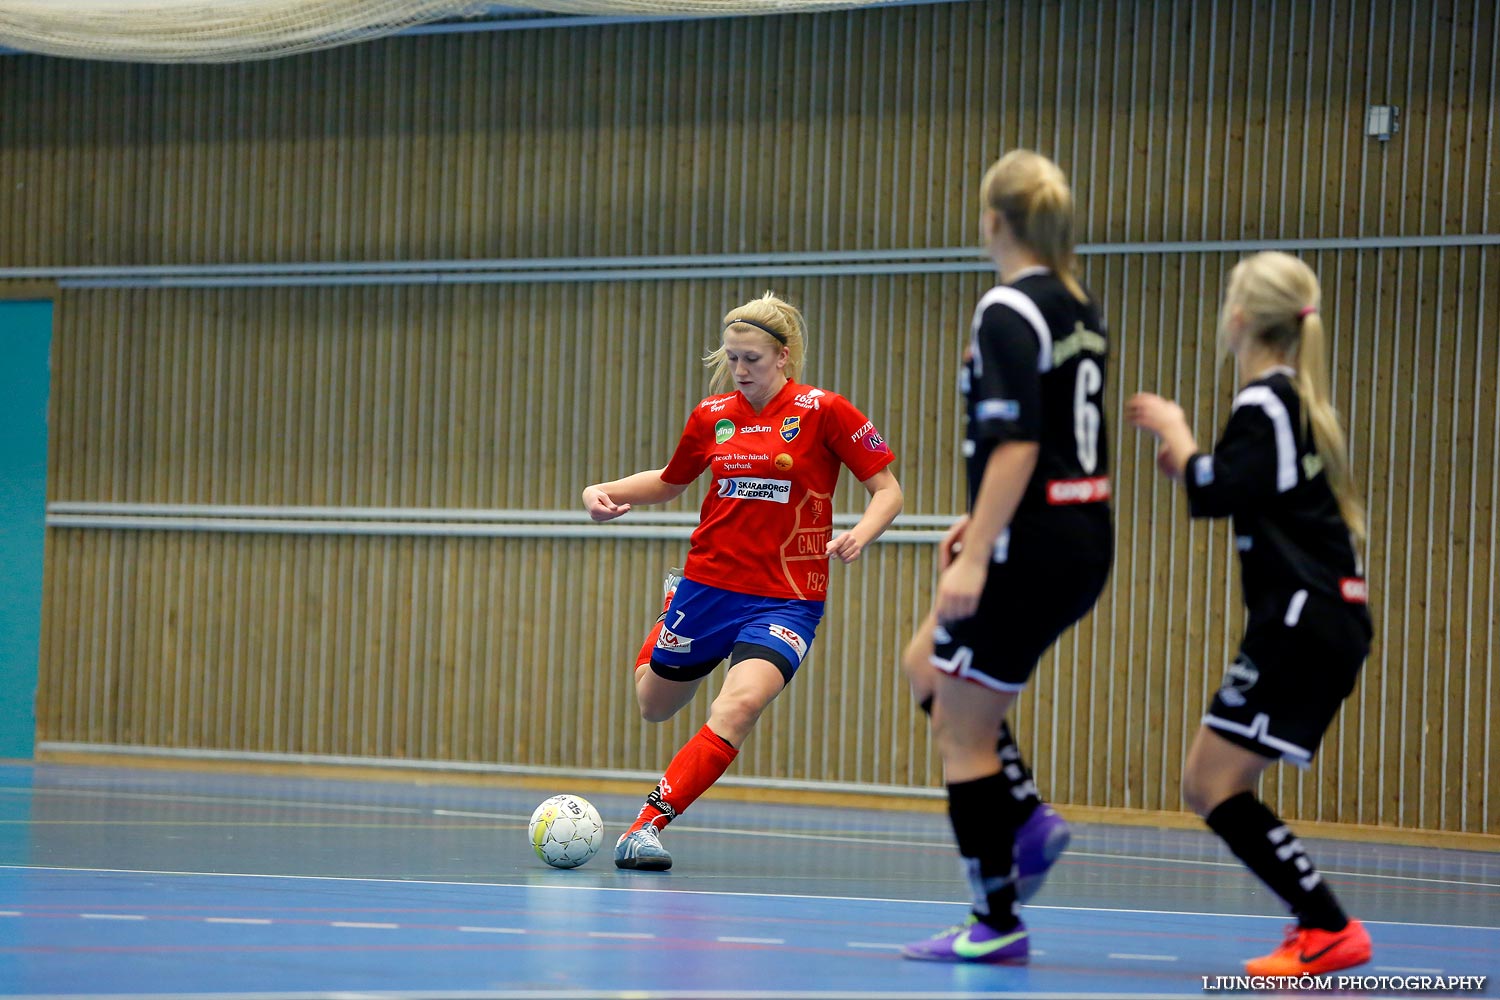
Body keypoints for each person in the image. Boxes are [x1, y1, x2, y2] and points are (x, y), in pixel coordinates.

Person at [581, 291, 903, 871]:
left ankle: (645, 828)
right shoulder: (713, 415)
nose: (740, 370)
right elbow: (671, 480)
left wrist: (863, 531)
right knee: (654, 704)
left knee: (740, 706)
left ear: (783, 357)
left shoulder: (824, 410)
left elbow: (888, 490)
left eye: (751, 358)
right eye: (732, 358)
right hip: (709, 586)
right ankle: (668, 612)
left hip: (788, 596)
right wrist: (600, 492)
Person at [1127, 251, 1373, 976]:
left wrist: (1175, 430)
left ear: (1239, 319)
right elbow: (1235, 485)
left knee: (1210, 784)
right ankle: (1317, 923)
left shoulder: (1266, 401)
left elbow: (1211, 490)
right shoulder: (1293, 401)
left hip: (1303, 621)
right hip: (1317, 619)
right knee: (1214, 782)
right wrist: (1194, 461)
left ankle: (1328, 925)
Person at [899, 150, 1112, 965]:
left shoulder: (1008, 308)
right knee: (925, 665)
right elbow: (1047, 440)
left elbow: (1021, 443)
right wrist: (976, 518)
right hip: (1080, 534)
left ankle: (995, 921)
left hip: (1033, 544)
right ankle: (1026, 815)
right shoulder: (1077, 305)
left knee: (960, 730)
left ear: (994, 220)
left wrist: (977, 553)